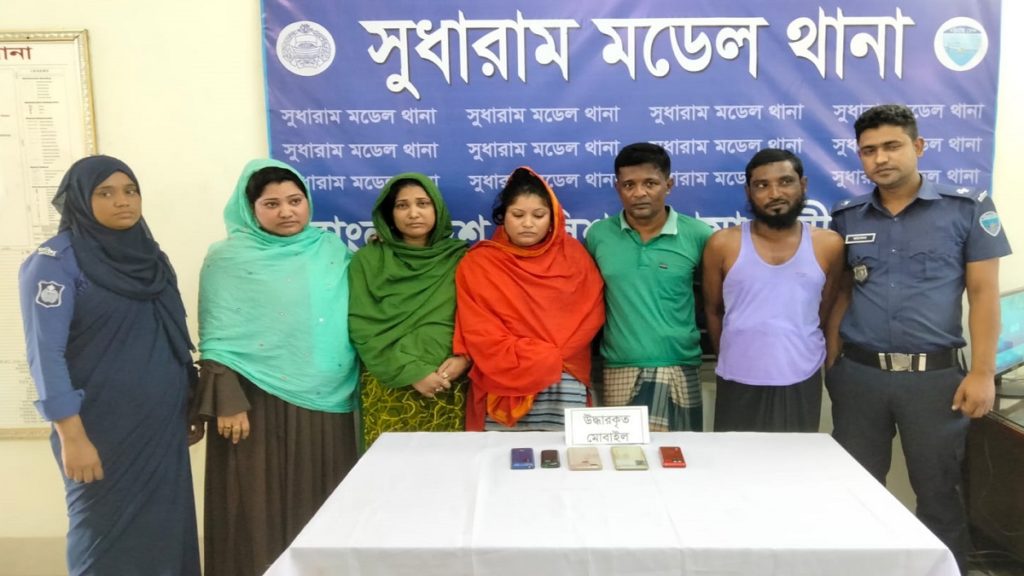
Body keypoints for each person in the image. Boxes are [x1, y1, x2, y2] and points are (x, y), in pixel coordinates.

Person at [826, 104, 1011, 570]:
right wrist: (833, 360)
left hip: (935, 382)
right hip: (860, 377)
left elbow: (984, 295)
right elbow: (841, 293)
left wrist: (983, 373)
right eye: (869, 150)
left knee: (939, 493)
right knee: (855, 490)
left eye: (892, 146)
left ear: (919, 146)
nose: (880, 158)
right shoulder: (848, 217)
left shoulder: (967, 208)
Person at [18, 155, 200, 575]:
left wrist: (189, 399)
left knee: (166, 537)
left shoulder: (151, 258)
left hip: (161, 429)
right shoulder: (53, 263)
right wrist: (72, 436)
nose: (123, 201)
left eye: (131, 191)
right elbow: (45, 355)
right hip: (98, 430)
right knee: (100, 542)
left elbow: (171, 333)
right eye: (106, 193)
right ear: (80, 200)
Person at [196, 159, 360, 575]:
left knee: (323, 504)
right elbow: (216, 333)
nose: (287, 212)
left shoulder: (330, 249)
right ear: (250, 208)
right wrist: (227, 400)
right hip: (252, 402)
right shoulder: (226, 258)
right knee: (256, 506)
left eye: (295, 201)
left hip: (326, 399)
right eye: (272, 204)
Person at [702, 148, 844, 432]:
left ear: (803, 185)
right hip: (737, 377)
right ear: (748, 192)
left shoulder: (829, 244)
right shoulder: (722, 244)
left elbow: (826, 312)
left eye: (785, 181)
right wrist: (733, 353)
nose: (774, 193)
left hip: (800, 375)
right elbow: (713, 311)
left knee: (792, 459)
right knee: (734, 458)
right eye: (762, 185)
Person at [454, 166, 605, 430]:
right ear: (503, 217)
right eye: (517, 214)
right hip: (502, 380)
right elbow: (478, 331)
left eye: (538, 215)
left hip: (564, 380)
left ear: (553, 218)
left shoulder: (574, 257)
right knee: (501, 455)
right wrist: (535, 357)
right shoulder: (478, 263)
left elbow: (591, 317)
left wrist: (549, 357)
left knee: (565, 454)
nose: (527, 223)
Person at [585, 142, 713, 431]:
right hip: (619, 367)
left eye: (650, 183)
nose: (639, 193)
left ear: (669, 185)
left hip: (679, 366)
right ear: (617, 188)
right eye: (629, 184)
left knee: (679, 454)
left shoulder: (698, 235)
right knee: (624, 455)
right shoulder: (599, 236)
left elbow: (713, 300)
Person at [349, 174, 469, 449]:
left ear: (437, 209)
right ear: (389, 214)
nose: (413, 213)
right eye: (402, 205)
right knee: (392, 468)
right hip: (390, 384)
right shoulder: (368, 261)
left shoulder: (461, 258)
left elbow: (478, 317)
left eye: (423, 203)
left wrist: (465, 358)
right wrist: (412, 372)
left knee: (449, 465)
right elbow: (361, 325)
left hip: (449, 383)